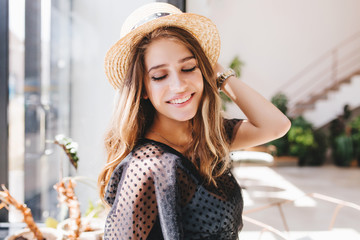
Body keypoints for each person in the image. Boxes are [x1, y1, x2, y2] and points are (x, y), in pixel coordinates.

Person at [98, 3, 291, 240]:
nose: (179, 86)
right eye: (159, 76)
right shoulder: (146, 166)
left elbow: (276, 126)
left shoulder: (206, 136)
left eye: (189, 67)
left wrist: (218, 72)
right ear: (143, 89)